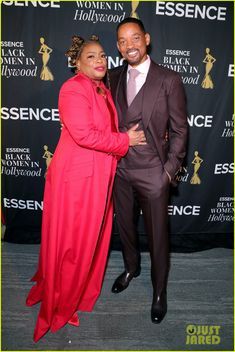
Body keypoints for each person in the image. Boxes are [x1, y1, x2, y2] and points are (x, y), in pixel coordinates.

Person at [26, 34, 146, 342]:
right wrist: (125, 141)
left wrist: (122, 136)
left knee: (88, 240)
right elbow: (83, 135)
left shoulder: (101, 89)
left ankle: (76, 291)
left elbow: (98, 129)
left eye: (103, 56)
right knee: (72, 242)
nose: (100, 61)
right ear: (76, 64)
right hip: (77, 178)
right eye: (91, 56)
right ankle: (61, 299)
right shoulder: (72, 88)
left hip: (97, 175)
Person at [109, 18, 188, 324]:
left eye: (135, 38)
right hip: (120, 168)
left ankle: (159, 291)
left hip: (154, 170)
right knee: (125, 228)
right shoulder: (112, 77)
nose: (130, 45)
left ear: (147, 39)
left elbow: (180, 130)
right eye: (123, 41)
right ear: (118, 46)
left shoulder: (168, 79)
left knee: (157, 237)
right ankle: (131, 267)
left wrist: (168, 172)